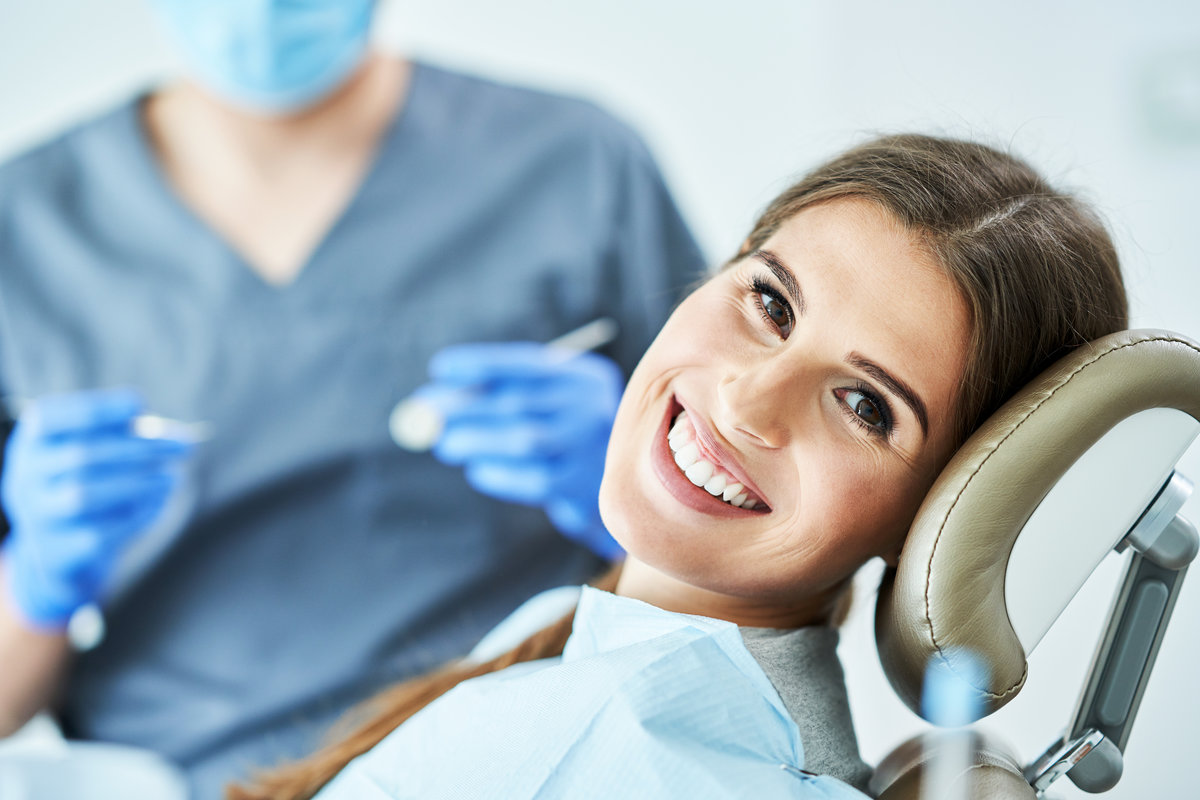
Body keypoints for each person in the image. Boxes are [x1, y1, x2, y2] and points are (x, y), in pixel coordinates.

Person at [228, 133, 1129, 800]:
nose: (746, 401)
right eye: (771, 302)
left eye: (865, 406)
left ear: (943, 513)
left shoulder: (634, 745)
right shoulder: (610, 667)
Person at [0, 1, 704, 795]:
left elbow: (759, 565)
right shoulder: (22, 227)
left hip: (522, 749)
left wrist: (629, 499)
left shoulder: (578, 164)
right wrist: (34, 587)